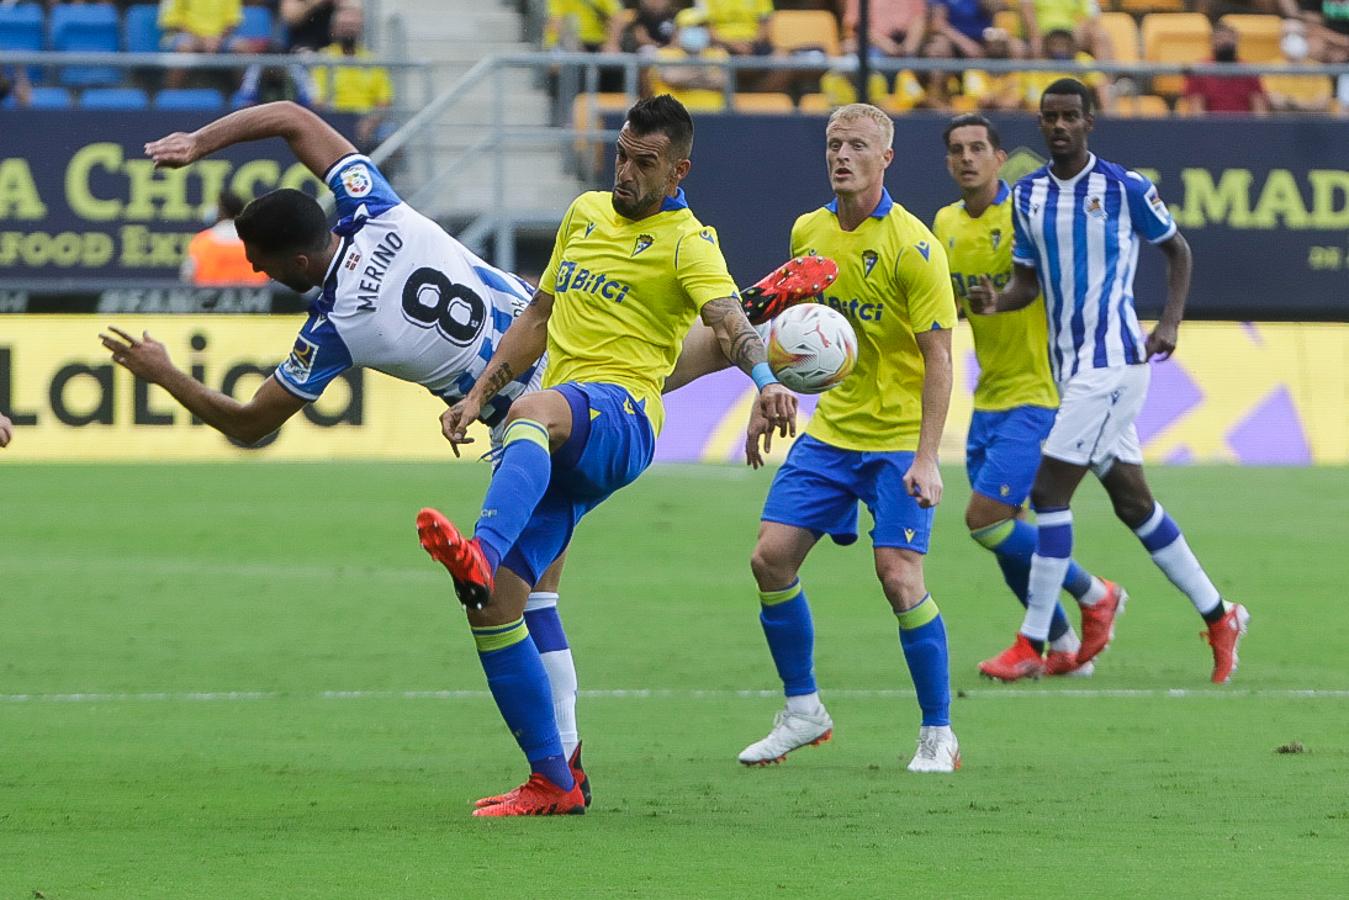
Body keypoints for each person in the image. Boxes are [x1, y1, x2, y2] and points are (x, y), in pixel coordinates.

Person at [105, 98, 812, 819]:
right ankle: (557, 777)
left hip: (535, 408)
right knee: (513, 601)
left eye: (259, 265)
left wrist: (166, 373)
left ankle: (739, 323)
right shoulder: (373, 204)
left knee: (561, 449)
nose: (258, 274)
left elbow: (251, 422)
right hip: (543, 351)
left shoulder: (333, 328)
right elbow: (291, 116)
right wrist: (201, 140)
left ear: (293, 262)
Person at [415, 94, 798, 815]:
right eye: (620, 154)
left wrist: (768, 380)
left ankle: (480, 549)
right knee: (495, 609)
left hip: (621, 418)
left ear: (677, 170)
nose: (625, 171)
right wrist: (477, 394)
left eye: (642, 163)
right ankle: (553, 779)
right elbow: (538, 314)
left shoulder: (690, 242)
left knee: (529, 418)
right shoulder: (585, 215)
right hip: (562, 430)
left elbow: (728, 323)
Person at [685, 103, 961, 773]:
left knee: (898, 578)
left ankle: (937, 735)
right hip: (833, 431)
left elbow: (940, 360)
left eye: (858, 145)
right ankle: (803, 711)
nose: (841, 155)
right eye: (835, 143)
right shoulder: (808, 230)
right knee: (769, 559)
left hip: (896, 440)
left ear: (885, 158)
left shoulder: (915, 248)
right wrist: (762, 396)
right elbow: (790, 327)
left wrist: (926, 458)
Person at [967, 79, 1251, 684]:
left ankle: (1032, 641)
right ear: (1040, 125)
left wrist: (1170, 321)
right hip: (1071, 370)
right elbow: (1028, 281)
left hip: (1116, 364)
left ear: (1089, 123)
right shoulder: (1029, 197)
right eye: (1050, 118)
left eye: (1071, 116)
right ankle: (1219, 614)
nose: (1060, 126)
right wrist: (996, 301)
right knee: (1134, 504)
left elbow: (1178, 251)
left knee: (1047, 494)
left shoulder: (1124, 187)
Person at [933, 114, 1123, 678]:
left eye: (977, 148)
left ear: (998, 157)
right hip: (988, 395)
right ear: (948, 162)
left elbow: (1047, 278)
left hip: (1040, 394)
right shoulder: (943, 223)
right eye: (957, 150)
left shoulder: (1027, 214)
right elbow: (948, 303)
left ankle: (1095, 593)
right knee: (1001, 530)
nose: (967, 158)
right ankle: (1062, 647)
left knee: (986, 520)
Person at [310, 0, 394, 154]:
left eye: (353, 25)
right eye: (344, 26)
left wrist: (369, 123)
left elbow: (384, 102)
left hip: (368, 120)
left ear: (360, 29)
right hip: (335, 119)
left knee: (390, 138)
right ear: (334, 29)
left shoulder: (372, 61)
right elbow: (318, 102)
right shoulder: (323, 59)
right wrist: (340, 124)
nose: (349, 30)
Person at [180, 189, 271, 286]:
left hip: (210, 299)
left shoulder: (202, 242)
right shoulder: (257, 242)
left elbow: (187, 276)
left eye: (217, 206)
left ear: (222, 211)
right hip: (254, 299)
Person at [1182, 23, 1269, 114]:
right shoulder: (1200, 70)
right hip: (1210, 125)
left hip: (1243, 125)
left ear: (1237, 42)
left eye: (1230, 39)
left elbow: (1259, 109)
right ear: (1212, 43)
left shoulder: (1249, 71)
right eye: (1220, 39)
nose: (1225, 42)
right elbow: (1197, 110)